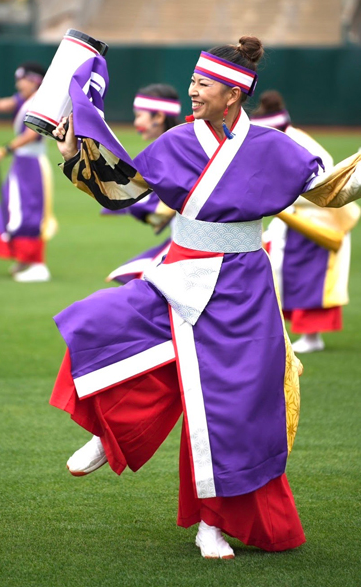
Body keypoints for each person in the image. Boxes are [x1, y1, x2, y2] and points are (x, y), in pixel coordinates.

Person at [49, 36, 361, 560]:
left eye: (202, 83)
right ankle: (110, 431)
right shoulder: (177, 141)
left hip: (245, 291)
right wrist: (73, 154)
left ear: (233, 94)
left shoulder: (276, 149)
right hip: (180, 274)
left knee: (233, 410)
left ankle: (211, 525)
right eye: (192, 80)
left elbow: (331, 191)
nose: (191, 90)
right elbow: (123, 189)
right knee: (102, 323)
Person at [252, 91, 360, 353]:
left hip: (317, 221)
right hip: (296, 222)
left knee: (310, 278)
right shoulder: (285, 139)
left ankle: (312, 337)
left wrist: (274, 198)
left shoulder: (295, 144)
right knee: (284, 272)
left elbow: (320, 187)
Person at [0, 62, 57, 282]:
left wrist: (5, 149)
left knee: (29, 212)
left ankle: (37, 264)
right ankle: (23, 260)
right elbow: (0, 106)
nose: (18, 84)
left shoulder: (42, 103)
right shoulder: (23, 100)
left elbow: (32, 134)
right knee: (14, 208)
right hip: (21, 164)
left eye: (21, 79)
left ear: (34, 81)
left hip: (32, 165)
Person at [103, 83, 180, 284]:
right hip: (183, 242)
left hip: (191, 249)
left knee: (137, 282)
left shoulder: (171, 151)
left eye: (139, 115)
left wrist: (128, 205)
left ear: (159, 117)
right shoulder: (175, 145)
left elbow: (158, 209)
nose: (136, 122)